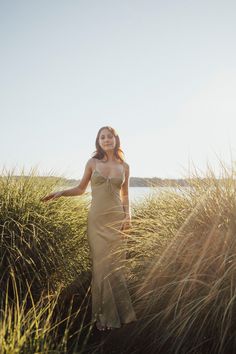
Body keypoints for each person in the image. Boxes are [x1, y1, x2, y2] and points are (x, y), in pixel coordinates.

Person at [41, 126, 137, 331]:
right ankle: (104, 318)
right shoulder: (92, 163)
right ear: (98, 141)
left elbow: (125, 195)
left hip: (116, 220)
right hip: (97, 222)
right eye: (102, 137)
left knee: (115, 267)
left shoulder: (125, 166)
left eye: (109, 136)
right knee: (100, 266)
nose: (106, 140)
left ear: (115, 139)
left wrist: (128, 216)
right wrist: (60, 192)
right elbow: (80, 189)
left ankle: (122, 315)